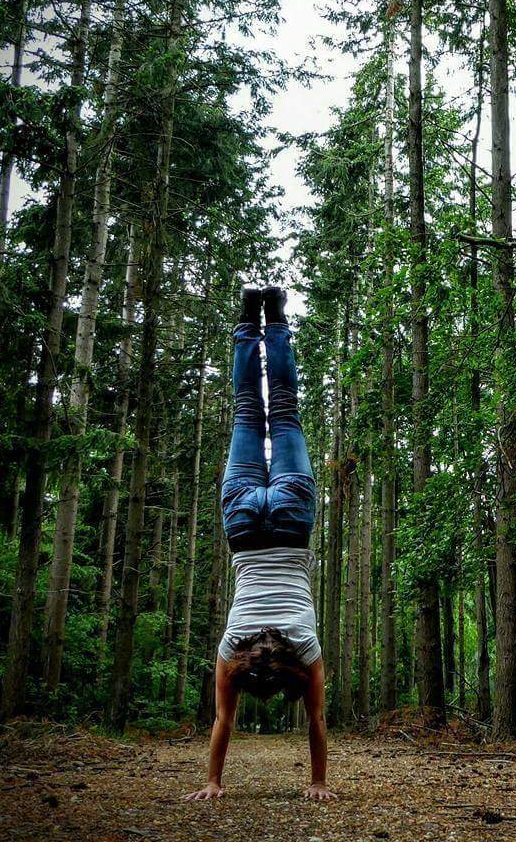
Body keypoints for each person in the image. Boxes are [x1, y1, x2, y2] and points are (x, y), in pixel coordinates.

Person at [184, 285, 336, 803]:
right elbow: (223, 720)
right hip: (245, 528)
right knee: (249, 410)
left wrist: (319, 782)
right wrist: (212, 781)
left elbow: (316, 719)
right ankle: (250, 319)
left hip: (291, 523)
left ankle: (274, 316)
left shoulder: (306, 649)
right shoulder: (231, 651)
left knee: (285, 411)